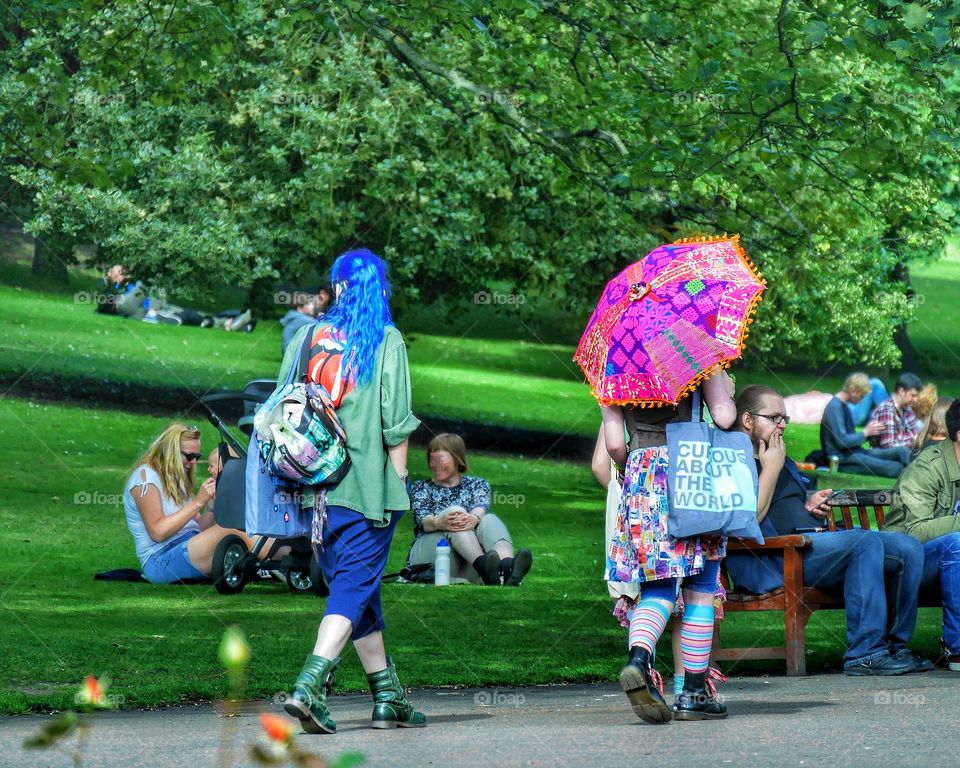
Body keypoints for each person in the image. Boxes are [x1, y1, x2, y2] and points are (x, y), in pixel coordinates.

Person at [281, 248, 424, 735]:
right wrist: (400, 483)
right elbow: (396, 424)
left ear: (337, 288)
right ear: (380, 289)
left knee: (361, 590)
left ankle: (388, 697)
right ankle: (308, 686)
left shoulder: (305, 336)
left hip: (312, 493)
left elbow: (281, 405)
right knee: (351, 589)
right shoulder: (385, 340)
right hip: (366, 490)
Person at [726, 385, 930, 675]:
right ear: (748, 420)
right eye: (774, 418)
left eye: (785, 418)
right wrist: (771, 469)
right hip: (779, 557)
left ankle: (896, 648)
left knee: (907, 547)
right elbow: (746, 520)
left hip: (813, 542)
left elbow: (784, 501)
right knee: (864, 542)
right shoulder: (734, 459)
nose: (782, 425)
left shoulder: (774, 453)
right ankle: (865, 653)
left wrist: (809, 503)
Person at [604, 370, 736, 724]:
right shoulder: (694, 354)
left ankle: (639, 659)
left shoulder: (615, 364)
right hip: (691, 469)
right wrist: (726, 387)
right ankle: (692, 694)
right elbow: (724, 416)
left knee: (657, 590)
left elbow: (615, 443)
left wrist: (631, 465)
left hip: (642, 472)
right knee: (701, 589)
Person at [884, 398, 960, 670]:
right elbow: (912, 532)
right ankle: (957, 647)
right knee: (956, 543)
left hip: (949, 560)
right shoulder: (928, 468)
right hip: (904, 560)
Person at [122, 424, 250, 583]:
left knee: (240, 527)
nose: (194, 462)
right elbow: (158, 532)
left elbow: (198, 528)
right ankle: (271, 563)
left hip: (189, 544)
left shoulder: (177, 478)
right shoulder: (146, 479)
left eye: (197, 456)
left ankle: (279, 559)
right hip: (161, 559)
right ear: (171, 451)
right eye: (189, 456)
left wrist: (211, 504)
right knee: (232, 531)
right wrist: (198, 502)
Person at [406, 433, 533, 586]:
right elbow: (423, 520)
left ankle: (507, 567)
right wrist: (439, 522)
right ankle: (485, 566)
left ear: (457, 458)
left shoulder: (477, 485)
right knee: (455, 511)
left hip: (467, 565)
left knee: (489, 519)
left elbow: (481, 506)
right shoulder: (421, 487)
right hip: (432, 560)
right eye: (432, 459)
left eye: (440, 459)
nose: (435, 465)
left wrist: (474, 518)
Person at [820, 373, 910, 477]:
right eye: (862, 396)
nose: (862, 400)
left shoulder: (844, 405)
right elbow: (842, 442)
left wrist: (872, 434)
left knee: (901, 451)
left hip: (855, 452)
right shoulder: (835, 407)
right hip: (842, 459)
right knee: (896, 467)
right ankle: (917, 476)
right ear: (853, 391)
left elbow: (851, 439)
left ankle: (920, 471)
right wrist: (865, 433)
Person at [868, 372, 923, 450]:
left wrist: (910, 438)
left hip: (904, 452)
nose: (916, 400)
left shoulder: (907, 408)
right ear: (902, 392)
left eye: (917, 396)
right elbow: (888, 446)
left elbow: (915, 432)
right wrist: (913, 439)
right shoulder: (887, 410)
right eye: (913, 395)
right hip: (885, 458)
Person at [280, 287, 321, 353]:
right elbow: (320, 325)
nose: (312, 306)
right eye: (308, 304)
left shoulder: (294, 317)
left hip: (289, 352)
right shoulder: (301, 320)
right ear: (300, 309)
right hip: (292, 354)